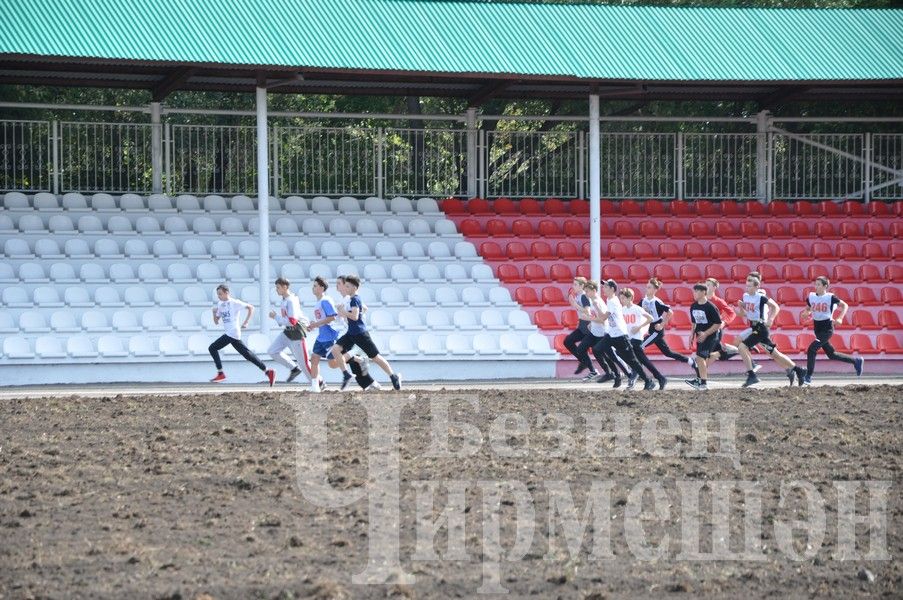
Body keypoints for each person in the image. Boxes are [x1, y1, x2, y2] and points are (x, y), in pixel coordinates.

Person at [330, 275, 401, 391]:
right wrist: (340, 312)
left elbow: (355, 316)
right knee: (335, 349)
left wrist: (343, 312)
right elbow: (352, 314)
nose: (345, 288)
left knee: (375, 357)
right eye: (345, 286)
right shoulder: (350, 299)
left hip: (360, 334)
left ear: (354, 287)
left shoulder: (355, 299)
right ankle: (346, 375)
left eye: (347, 286)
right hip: (351, 334)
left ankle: (393, 376)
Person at [735, 276, 806, 388]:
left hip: (760, 327)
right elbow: (745, 314)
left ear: (757, 286)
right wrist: (741, 307)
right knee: (774, 353)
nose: (747, 288)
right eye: (746, 286)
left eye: (749, 286)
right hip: (753, 327)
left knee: (742, 347)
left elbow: (775, 307)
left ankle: (751, 375)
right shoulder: (745, 296)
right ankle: (799, 370)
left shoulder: (761, 297)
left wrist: (771, 319)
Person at [591, 279, 654, 391]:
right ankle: (613, 373)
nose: (603, 289)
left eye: (605, 287)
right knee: (597, 349)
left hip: (620, 335)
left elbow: (603, 317)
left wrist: (596, 306)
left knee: (632, 361)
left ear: (612, 289)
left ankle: (648, 381)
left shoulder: (614, 301)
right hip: (611, 334)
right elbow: (604, 317)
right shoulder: (609, 300)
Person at [800, 276, 863, 385]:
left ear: (825, 286)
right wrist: (806, 313)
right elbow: (808, 309)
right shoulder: (811, 296)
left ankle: (808, 376)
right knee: (832, 354)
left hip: (827, 329)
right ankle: (856, 361)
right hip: (817, 328)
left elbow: (845, 306)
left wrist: (840, 318)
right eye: (815, 284)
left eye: (819, 284)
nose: (816, 286)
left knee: (812, 349)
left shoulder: (830, 297)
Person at [208, 284, 275, 386]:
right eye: (218, 294)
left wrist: (246, 322)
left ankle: (221, 373)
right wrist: (214, 313)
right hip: (230, 333)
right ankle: (268, 371)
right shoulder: (220, 304)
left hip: (233, 332)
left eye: (220, 294)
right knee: (247, 354)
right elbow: (216, 322)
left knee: (212, 348)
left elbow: (251, 308)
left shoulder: (234, 302)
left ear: (227, 293)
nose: (219, 296)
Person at [639, 278, 698, 378]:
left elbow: (670, 312)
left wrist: (662, 325)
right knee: (668, 353)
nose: (647, 289)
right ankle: (690, 361)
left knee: (639, 347)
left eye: (649, 287)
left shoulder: (657, 301)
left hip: (657, 329)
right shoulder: (643, 301)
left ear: (654, 290)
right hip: (651, 328)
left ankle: (636, 372)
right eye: (647, 287)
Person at [619, 287, 665, 390]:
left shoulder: (636, 308)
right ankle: (658, 378)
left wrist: (639, 327)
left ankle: (640, 377)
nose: (621, 301)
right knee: (643, 361)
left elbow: (650, 318)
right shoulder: (623, 310)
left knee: (632, 357)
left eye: (623, 298)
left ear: (630, 298)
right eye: (620, 299)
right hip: (629, 338)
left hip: (636, 338)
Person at [267, 277, 312, 384]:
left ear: (285, 287)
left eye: (278, 287)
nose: (276, 290)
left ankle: (318, 382)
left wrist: (276, 317)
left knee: (304, 363)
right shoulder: (285, 300)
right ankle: (294, 368)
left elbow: (292, 321)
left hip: (296, 333)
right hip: (288, 332)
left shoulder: (291, 300)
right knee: (272, 351)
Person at [685, 283, 723, 391]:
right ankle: (700, 381)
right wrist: (691, 334)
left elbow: (718, 324)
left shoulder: (711, 307)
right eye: (694, 291)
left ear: (703, 292)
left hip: (710, 336)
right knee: (701, 358)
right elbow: (694, 323)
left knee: (700, 358)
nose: (694, 293)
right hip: (700, 336)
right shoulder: (693, 306)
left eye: (696, 291)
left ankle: (703, 383)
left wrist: (706, 333)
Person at [564, 277, 594, 375]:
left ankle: (592, 369)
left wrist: (575, 305)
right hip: (582, 325)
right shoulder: (578, 296)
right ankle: (587, 365)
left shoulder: (584, 296)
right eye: (573, 284)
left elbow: (587, 311)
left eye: (575, 284)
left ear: (582, 286)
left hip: (588, 326)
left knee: (596, 351)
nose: (573, 286)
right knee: (568, 341)